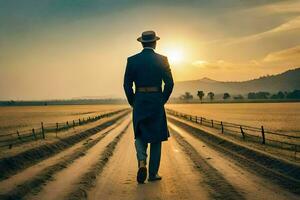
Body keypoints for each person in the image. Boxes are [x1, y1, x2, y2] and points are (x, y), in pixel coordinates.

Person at [123, 30, 174, 184]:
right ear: (155, 43)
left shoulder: (132, 60)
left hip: (139, 100)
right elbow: (170, 83)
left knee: (139, 133)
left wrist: (133, 101)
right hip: (156, 101)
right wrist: (161, 100)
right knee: (156, 137)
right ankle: (153, 174)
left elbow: (126, 85)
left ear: (142, 43)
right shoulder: (162, 59)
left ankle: (141, 162)